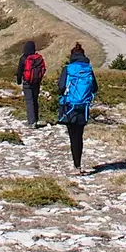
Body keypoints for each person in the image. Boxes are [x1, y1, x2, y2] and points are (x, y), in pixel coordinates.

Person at [52, 43, 98, 174]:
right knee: (79, 135)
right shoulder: (88, 69)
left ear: (72, 56)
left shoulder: (68, 68)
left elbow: (61, 87)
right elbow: (95, 87)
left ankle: (76, 165)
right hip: (83, 107)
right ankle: (78, 165)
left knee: (72, 136)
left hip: (69, 106)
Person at [16, 40, 46, 128]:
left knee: (29, 101)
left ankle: (31, 122)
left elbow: (19, 71)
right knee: (35, 100)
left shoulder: (23, 58)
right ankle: (36, 119)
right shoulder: (38, 58)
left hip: (27, 82)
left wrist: (19, 81)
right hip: (36, 82)